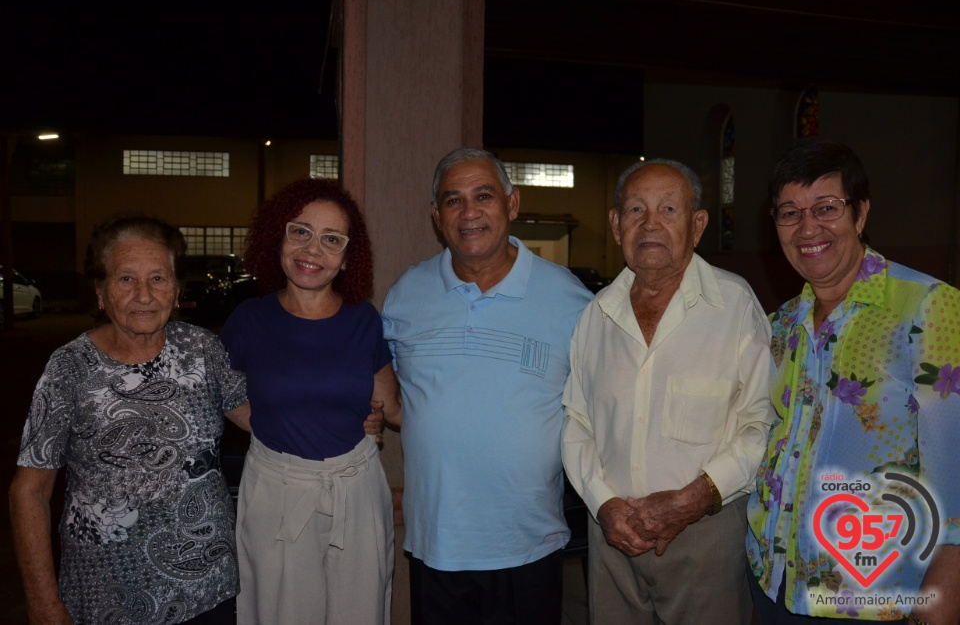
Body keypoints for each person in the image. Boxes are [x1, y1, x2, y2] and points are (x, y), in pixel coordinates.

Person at [747, 140, 960, 624]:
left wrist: (944, 595)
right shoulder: (780, 325)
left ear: (860, 214)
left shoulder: (926, 308)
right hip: (774, 582)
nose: (808, 229)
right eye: (789, 213)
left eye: (827, 208)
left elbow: (957, 470)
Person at [380, 147, 593, 624]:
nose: (469, 211)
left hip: (528, 542)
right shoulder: (406, 294)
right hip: (436, 542)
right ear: (437, 217)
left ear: (512, 204)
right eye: (453, 200)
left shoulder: (571, 301)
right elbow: (390, 396)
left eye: (484, 195)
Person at [562, 159, 775, 624]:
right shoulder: (594, 316)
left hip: (704, 532)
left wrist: (693, 499)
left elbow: (762, 423)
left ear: (697, 225)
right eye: (636, 209)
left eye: (668, 209)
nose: (650, 223)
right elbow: (576, 423)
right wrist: (603, 503)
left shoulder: (735, 305)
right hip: (611, 534)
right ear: (617, 225)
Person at [9, 214, 249, 625]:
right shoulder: (70, 368)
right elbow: (29, 493)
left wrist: (349, 414)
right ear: (100, 292)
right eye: (125, 279)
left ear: (176, 290)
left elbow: (263, 420)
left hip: (209, 590)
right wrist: (44, 604)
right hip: (108, 599)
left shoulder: (202, 350)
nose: (144, 294)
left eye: (158, 278)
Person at [219, 178, 401, 625]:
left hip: (355, 487)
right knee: (281, 612)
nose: (312, 249)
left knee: (360, 611)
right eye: (300, 231)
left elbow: (389, 405)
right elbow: (219, 394)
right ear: (277, 238)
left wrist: (376, 419)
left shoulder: (363, 320)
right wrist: (269, 422)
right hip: (276, 488)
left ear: (346, 259)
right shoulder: (249, 320)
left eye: (331, 239)